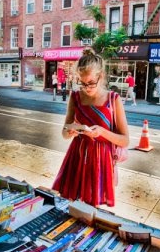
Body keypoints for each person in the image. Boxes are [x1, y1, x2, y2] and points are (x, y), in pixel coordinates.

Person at [52, 48, 130, 207]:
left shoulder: (113, 99)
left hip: (101, 161)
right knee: (72, 207)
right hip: (77, 157)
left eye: (91, 83)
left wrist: (102, 132)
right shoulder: (75, 97)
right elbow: (64, 133)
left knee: (91, 211)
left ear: (100, 77)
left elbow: (125, 141)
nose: (86, 88)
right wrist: (70, 131)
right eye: (82, 83)